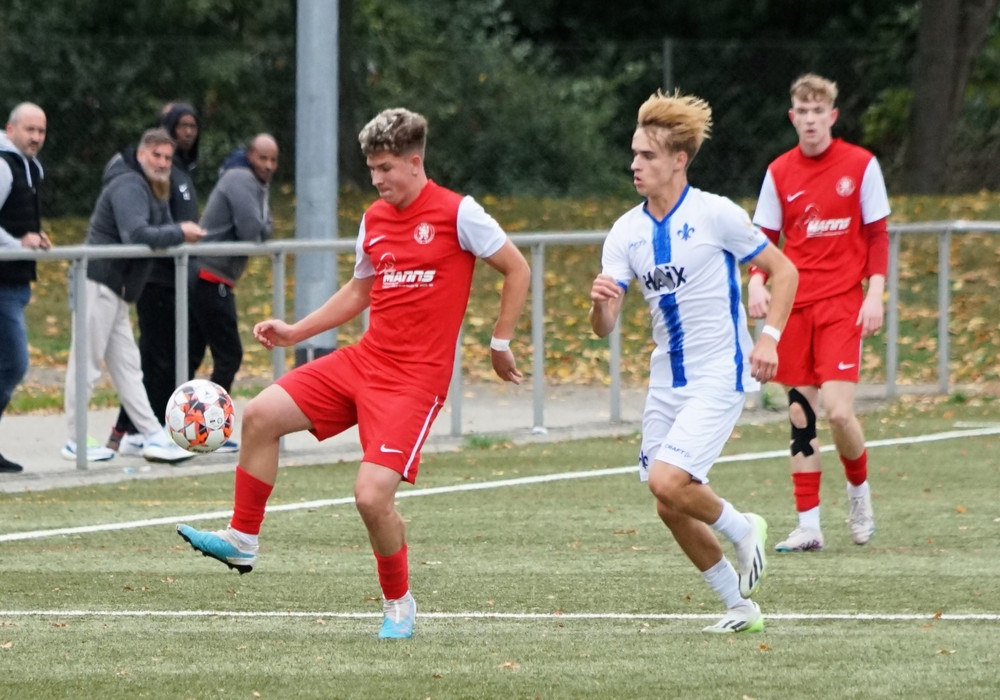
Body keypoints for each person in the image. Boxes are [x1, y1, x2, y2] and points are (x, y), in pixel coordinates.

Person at [176, 107, 530, 640]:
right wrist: (296, 331)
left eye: (386, 168)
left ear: (415, 162)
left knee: (370, 497)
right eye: (371, 169)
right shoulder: (374, 219)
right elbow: (360, 290)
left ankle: (399, 604)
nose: (377, 179)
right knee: (261, 414)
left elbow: (517, 268)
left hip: (415, 383)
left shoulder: (460, 213)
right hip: (364, 361)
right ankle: (243, 539)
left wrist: (500, 342)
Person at [589, 90, 798, 634]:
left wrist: (769, 339)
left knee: (667, 480)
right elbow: (604, 327)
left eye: (648, 155)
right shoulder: (626, 231)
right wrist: (601, 304)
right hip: (666, 379)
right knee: (669, 503)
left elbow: (785, 271)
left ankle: (743, 526)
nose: (635, 164)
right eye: (634, 154)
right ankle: (740, 607)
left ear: (679, 160)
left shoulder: (715, 214)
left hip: (719, 373)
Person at [749, 73, 890, 551]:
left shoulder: (861, 165)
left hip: (842, 303)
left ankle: (858, 494)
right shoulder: (779, 172)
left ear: (832, 116)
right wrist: (756, 281)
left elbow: (877, 235)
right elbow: (764, 240)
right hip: (794, 307)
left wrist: (875, 293)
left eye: (818, 112)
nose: (810, 120)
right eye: (802, 112)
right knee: (801, 414)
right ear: (793, 118)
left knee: (839, 412)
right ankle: (808, 525)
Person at [62, 128, 206, 463]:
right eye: (156, 155)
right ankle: (74, 440)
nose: (162, 163)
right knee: (86, 364)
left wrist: (178, 232)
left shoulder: (153, 187)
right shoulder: (129, 184)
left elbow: (156, 230)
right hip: (98, 282)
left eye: (168, 157)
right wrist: (180, 232)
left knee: (128, 367)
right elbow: (136, 234)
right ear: (141, 154)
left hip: (117, 289)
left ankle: (152, 434)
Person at [107, 102, 202, 456]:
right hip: (150, 278)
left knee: (162, 355)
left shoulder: (176, 175)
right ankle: (126, 433)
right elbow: (141, 231)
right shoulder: (134, 179)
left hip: (174, 276)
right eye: (181, 125)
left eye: (193, 125)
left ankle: (142, 429)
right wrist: (179, 233)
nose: (187, 131)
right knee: (149, 357)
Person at [187, 133, 278, 454]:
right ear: (249, 155)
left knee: (191, 355)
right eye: (262, 158)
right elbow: (253, 230)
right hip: (209, 276)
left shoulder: (254, 182)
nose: (268, 165)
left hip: (210, 276)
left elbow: (262, 225)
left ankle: (184, 429)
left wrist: (263, 225)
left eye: (273, 160)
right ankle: (205, 428)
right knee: (229, 355)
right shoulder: (240, 178)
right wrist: (263, 226)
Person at [0, 103, 50, 474]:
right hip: (2, 284)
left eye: (41, 131)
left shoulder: (30, 167)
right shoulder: (4, 165)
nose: (35, 137)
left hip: (15, 283)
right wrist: (18, 243)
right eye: (29, 129)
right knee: (15, 363)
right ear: (11, 129)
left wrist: (35, 237)